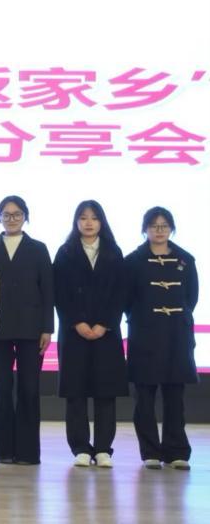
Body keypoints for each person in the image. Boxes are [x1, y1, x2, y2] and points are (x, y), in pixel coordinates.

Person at [53, 200, 128, 467]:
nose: (88, 223)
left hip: (106, 333)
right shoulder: (65, 252)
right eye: (83, 217)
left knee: (105, 392)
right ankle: (81, 449)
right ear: (76, 221)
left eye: (94, 218)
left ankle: (104, 448)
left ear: (101, 222)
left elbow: (121, 293)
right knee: (76, 392)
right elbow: (59, 292)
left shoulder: (114, 252)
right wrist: (77, 322)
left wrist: (104, 324)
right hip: (74, 333)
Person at [123, 207, 198, 470]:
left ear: (171, 229)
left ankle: (176, 451)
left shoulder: (185, 260)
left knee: (175, 396)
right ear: (145, 229)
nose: (159, 230)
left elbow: (191, 298)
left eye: (164, 225)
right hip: (144, 335)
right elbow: (127, 299)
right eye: (154, 226)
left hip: (177, 335)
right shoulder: (133, 261)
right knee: (144, 397)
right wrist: (144, 318)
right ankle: (150, 452)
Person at [0, 195, 54, 466]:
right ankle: (4, 450)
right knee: (0, 389)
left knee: (29, 389)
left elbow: (48, 290)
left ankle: (28, 452)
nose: (11, 219)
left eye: (17, 214)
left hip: (31, 329)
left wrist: (47, 328)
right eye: (6, 214)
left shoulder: (38, 249)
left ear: (26, 217)